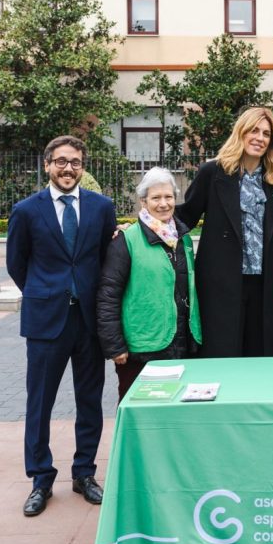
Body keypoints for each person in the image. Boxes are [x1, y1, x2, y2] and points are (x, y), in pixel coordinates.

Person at [6, 135, 117, 517]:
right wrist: (45, 292)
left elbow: (105, 258)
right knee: (40, 403)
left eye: (75, 162)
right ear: (47, 165)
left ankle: (85, 473)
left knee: (90, 401)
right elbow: (17, 264)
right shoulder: (26, 210)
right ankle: (40, 478)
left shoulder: (102, 207)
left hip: (88, 321)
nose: (68, 168)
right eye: (61, 162)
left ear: (82, 167)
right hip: (45, 322)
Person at [176, 106, 273, 357]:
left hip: (265, 284)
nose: (259, 138)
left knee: (261, 354)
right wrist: (142, 227)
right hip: (222, 281)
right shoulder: (213, 173)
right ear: (241, 132)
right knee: (222, 351)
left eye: (266, 134)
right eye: (253, 131)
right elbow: (184, 216)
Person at [97, 167, 201, 401]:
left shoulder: (183, 239)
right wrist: (115, 346)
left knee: (177, 407)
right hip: (143, 346)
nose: (163, 204)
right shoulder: (126, 240)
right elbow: (108, 294)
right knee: (141, 406)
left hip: (183, 342)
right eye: (156, 198)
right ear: (143, 202)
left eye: (168, 197)